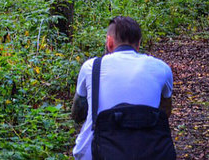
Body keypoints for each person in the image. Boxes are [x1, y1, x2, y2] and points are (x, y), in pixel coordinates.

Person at [71, 16, 174, 159]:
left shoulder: (91, 67)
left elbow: (77, 114)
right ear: (138, 44)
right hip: (146, 150)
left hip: (96, 153)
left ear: (109, 42)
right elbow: (165, 111)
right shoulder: (162, 68)